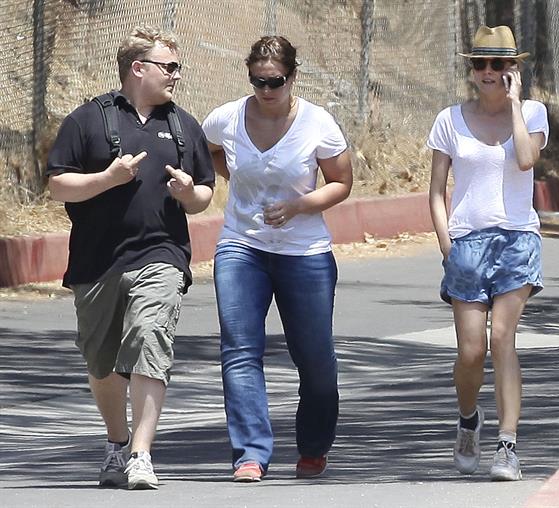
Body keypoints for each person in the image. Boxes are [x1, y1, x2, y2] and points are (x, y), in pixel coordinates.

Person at [46, 25, 215, 489]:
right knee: (101, 362)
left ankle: (141, 453)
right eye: (169, 66)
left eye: (177, 67)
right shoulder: (88, 119)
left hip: (161, 253)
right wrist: (106, 179)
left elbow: (205, 192)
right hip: (97, 262)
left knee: (149, 335)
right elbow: (57, 183)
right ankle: (117, 444)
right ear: (138, 69)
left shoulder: (183, 125)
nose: (176, 76)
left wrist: (188, 193)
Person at [202, 35, 353, 482]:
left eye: (275, 82)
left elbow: (341, 181)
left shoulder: (317, 123)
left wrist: (300, 205)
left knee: (315, 360)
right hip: (241, 245)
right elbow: (209, 149)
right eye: (258, 81)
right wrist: (237, 179)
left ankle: (312, 446)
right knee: (240, 350)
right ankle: (250, 453)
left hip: (303, 252)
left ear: (293, 77)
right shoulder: (227, 118)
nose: (266, 91)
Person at [427, 25, 549, 481]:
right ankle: (467, 420)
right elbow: (437, 192)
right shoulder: (449, 119)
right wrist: (447, 249)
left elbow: (525, 159)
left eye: (497, 64)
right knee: (472, 351)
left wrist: (516, 104)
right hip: (466, 243)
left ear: (513, 68)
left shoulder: (534, 112)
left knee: (503, 341)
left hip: (518, 238)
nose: (487, 73)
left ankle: (507, 445)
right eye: (479, 64)